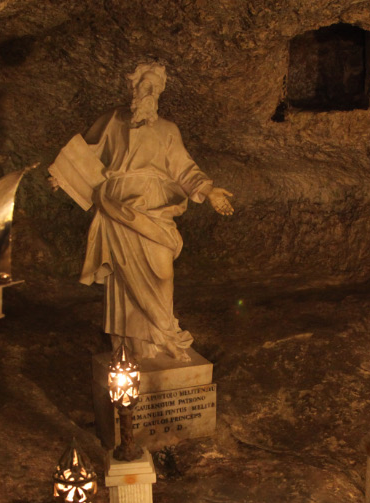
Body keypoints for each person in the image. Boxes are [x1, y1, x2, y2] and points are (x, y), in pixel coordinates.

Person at [49, 62, 233, 361]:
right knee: (123, 279)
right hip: (118, 204)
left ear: (159, 93)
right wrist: (62, 174)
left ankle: (165, 333)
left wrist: (209, 191)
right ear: (133, 88)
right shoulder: (111, 121)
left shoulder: (168, 130)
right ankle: (137, 344)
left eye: (154, 87)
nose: (148, 91)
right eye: (143, 85)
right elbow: (84, 153)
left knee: (162, 273)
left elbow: (184, 168)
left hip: (154, 207)